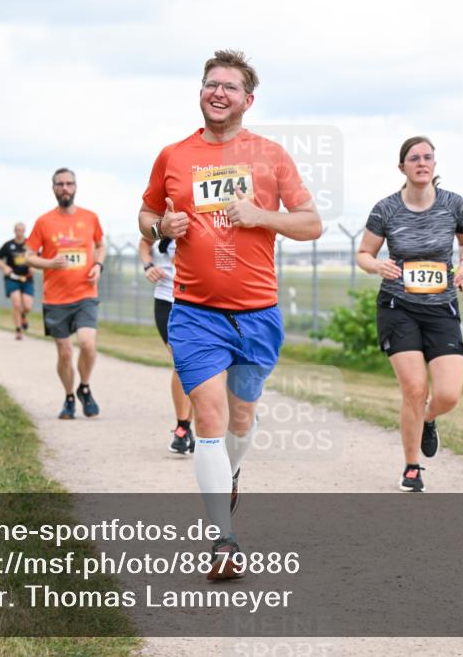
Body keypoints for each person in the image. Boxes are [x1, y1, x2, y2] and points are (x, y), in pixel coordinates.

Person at [138, 50, 320, 579]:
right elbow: (148, 212)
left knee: (241, 418)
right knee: (210, 419)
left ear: (248, 99)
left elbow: (311, 223)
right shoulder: (173, 155)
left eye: (230, 87)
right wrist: (160, 229)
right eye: (210, 84)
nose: (218, 93)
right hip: (194, 310)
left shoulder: (270, 154)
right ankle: (224, 539)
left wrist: (260, 215)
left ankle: (228, 474)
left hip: (257, 312)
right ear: (201, 92)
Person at [356, 136, 463, 492]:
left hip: (442, 307)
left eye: (428, 158)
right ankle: (412, 467)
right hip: (398, 307)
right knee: (414, 388)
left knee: (449, 394)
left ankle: (428, 419)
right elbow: (363, 253)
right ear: (402, 167)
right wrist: (378, 266)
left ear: (434, 165)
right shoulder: (386, 209)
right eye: (414, 158)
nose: (422, 163)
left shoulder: (455, 204)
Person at [25, 168, 106, 419]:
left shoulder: (90, 217)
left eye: (69, 183)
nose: (65, 188)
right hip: (56, 298)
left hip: (85, 293)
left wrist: (98, 265)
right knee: (64, 353)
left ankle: (85, 386)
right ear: (53, 189)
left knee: (87, 344)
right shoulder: (43, 221)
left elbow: (101, 244)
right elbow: (28, 256)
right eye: (60, 184)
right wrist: (49, 263)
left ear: (76, 187)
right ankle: (70, 396)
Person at [139, 235, 195, 454]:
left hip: (199, 300)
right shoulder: (163, 217)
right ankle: (183, 428)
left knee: (197, 365)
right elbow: (145, 241)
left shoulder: (207, 210)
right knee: (181, 362)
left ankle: (193, 427)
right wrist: (148, 265)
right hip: (166, 299)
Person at [0, 222, 35, 340]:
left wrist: (34, 266)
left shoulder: (30, 244)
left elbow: (37, 257)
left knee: (27, 306)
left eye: (22, 230)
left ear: (25, 231)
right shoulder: (8, 245)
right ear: (14, 231)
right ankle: (18, 330)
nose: (20, 232)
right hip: (12, 278)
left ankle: (23, 315)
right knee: (17, 304)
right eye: (18, 230)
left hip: (27, 278)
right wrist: (4, 267)